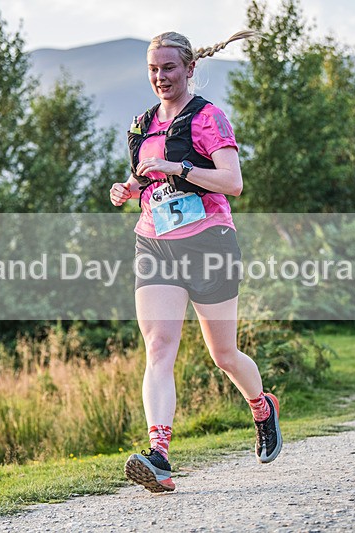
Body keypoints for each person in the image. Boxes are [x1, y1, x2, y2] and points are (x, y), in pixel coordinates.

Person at [109, 30, 281, 493]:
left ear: (188, 68)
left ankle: (262, 406)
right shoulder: (141, 123)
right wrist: (128, 189)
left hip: (208, 241)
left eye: (169, 68)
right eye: (153, 69)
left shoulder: (209, 118)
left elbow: (232, 181)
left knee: (223, 354)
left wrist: (178, 170)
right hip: (155, 242)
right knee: (159, 348)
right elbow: (144, 178)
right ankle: (159, 457)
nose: (161, 77)